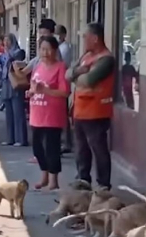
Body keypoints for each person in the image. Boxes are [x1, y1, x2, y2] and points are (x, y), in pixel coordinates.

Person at [67, 22, 116, 190]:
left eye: (85, 37)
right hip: (80, 110)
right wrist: (78, 72)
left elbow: (89, 80)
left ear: (95, 38)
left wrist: (78, 74)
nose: (83, 40)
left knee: (98, 148)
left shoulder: (106, 59)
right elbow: (68, 74)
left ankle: (103, 184)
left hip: (97, 111)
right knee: (81, 149)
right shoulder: (86, 56)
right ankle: (83, 179)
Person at [29, 36, 70, 191]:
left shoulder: (60, 67)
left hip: (52, 115)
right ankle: (44, 176)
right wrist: (31, 92)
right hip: (37, 113)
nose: (44, 53)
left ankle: (54, 180)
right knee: (37, 149)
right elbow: (34, 87)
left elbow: (65, 92)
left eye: (48, 49)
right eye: (42, 49)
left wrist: (45, 90)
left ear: (55, 50)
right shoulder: (38, 67)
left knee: (52, 148)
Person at [0, 34, 29, 146]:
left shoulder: (18, 52)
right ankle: (10, 138)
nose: (6, 43)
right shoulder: (4, 54)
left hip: (15, 83)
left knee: (18, 112)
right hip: (6, 84)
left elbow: (15, 59)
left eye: (8, 41)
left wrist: (7, 52)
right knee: (9, 113)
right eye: (5, 41)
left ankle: (21, 139)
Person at [56, 24, 74, 154]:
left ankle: (66, 142)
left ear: (62, 35)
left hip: (62, 83)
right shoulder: (58, 47)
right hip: (56, 84)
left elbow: (61, 64)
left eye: (57, 33)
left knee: (63, 114)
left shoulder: (65, 48)